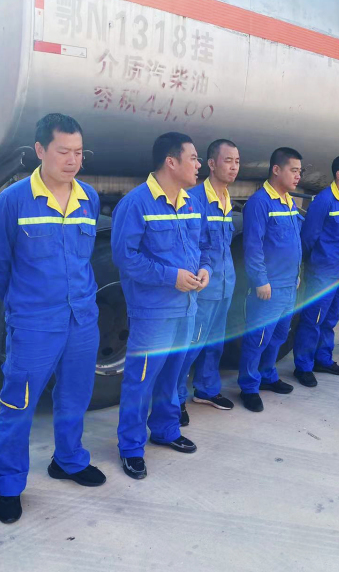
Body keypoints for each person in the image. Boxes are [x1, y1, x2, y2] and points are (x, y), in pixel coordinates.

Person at [0, 113, 104, 524]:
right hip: (34, 323)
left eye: (79, 152)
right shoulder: (13, 201)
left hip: (82, 319)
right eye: (63, 151)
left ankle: (68, 460)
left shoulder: (89, 198)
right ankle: (8, 483)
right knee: (18, 403)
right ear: (40, 150)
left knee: (75, 396)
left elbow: (85, 259)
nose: (72, 161)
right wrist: (23, 306)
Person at [112, 132, 211, 479]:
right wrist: (171, 277)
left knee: (173, 375)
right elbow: (125, 258)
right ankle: (131, 447)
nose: (198, 165)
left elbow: (202, 247)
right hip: (153, 312)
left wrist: (205, 269)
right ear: (171, 162)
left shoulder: (192, 203)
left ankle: (166, 430)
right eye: (193, 158)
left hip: (187, 307)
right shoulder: (136, 204)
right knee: (140, 380)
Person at [176, 139, 240, 425]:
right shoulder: (195, 199)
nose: (234, 167)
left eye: (237, 161)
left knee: (214, 343)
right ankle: (175, 398)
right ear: (211, 164)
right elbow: (192, 247)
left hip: (225, 286)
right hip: (203, 289)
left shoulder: (226, 198)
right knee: (191, 344)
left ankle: (206, 390)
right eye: (228, 161)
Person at [292, 154, 339, 387]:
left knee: (330, 319)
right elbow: (308, 237)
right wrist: (307, 266)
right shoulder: (324, 201)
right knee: (312, 320)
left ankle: (323, 359)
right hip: (322, 273)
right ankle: (303, 366)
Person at [238, 147, 304, 412]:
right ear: (276, 170)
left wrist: (296, 275)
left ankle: (267, 375)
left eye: (300, 172)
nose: (298, 176)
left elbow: (293, 242)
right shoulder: (260, 202)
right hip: (269, 286)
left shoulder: (288, 201)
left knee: (278, 336)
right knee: (258, 339)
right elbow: (253, 246)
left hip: (288, 285)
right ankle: (249, 386)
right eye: (293, 170)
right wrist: (260, 280)